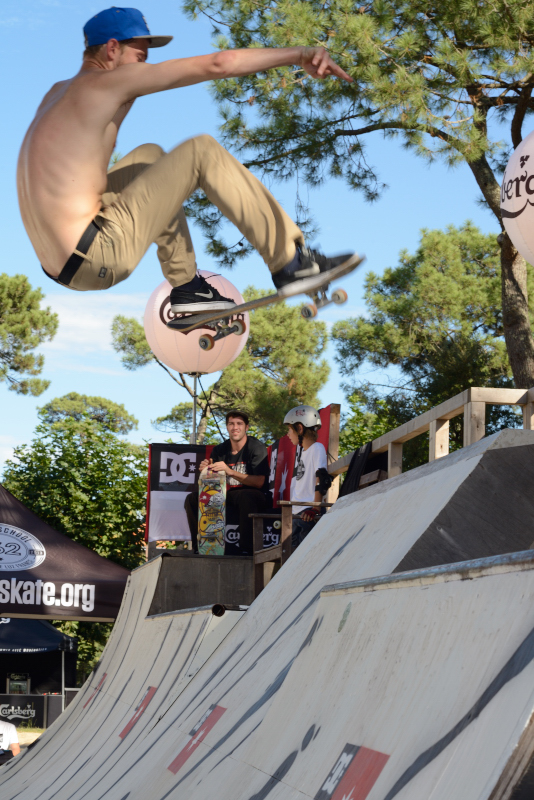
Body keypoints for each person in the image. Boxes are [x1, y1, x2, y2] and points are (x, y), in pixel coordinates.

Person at [17, 7, 358, 312]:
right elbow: (218, 64)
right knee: (202, 150)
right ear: (112, 48)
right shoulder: (106, 83)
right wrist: (300, 54)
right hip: (97, 255)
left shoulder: (56, 93)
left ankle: (188, 288)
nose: (143, 67)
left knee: (150, 156)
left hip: (61, 262)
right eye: (140, 56)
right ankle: (291, 263)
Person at [185, 410, 270, 554]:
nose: (235, 427)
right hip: (228, 495)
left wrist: (230, 471)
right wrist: (206, 471)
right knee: (192, 498)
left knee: (246, 496)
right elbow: (212, 484)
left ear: (246, 427)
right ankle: (201, 546)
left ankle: (246, 549)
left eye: (239, 424)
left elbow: (259, 482)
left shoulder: (256, 447)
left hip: (256, 495)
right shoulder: (219, 450)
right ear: (227, 427)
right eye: (231, 424)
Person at [284, 405, 331, 548]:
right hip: (297, 514)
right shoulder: (303, 452)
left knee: (306, 555)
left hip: (308, 514)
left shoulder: (317, 448)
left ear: (299, 428)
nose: (288, 434)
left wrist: (316, 509)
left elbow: (322, 478)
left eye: (290, 429)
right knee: (292, 556)